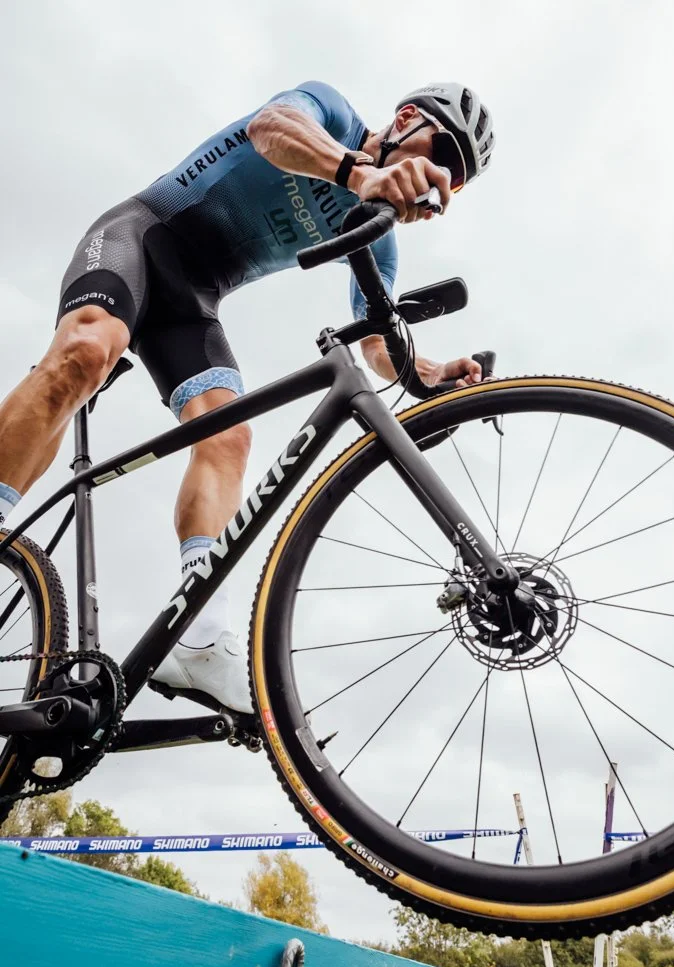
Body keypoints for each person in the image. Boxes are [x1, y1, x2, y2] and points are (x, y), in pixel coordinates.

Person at [0, 81, 494, 716]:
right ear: (405, 120)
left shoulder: (378, 232)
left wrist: (428, 372)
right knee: (87, 353)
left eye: (459, 180)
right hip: (142, 237)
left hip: (195, 302)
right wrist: (357, 172)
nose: (443, 180)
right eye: (445, 154)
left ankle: (200, 642)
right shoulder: (330, 114)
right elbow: (271, 129)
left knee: (229, 437)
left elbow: (376, 344)